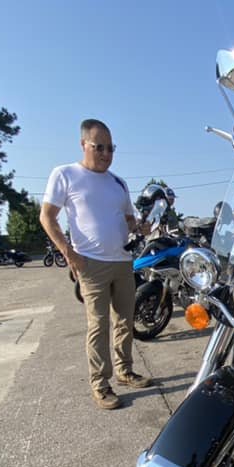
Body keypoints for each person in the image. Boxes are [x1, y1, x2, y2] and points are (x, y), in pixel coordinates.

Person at [39, 118, 152, 410]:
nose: (105, 153)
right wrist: (69, 253)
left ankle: (125, 371)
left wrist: (140, 228)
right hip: (91, 263)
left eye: (110, 148)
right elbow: (47, 217)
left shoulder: (118, 183)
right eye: (99, 147)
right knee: (98, 325)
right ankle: (100, 384)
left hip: (123, 261)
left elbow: (128, 219)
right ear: (83, 144)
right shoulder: (65, 174)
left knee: (125, 321)